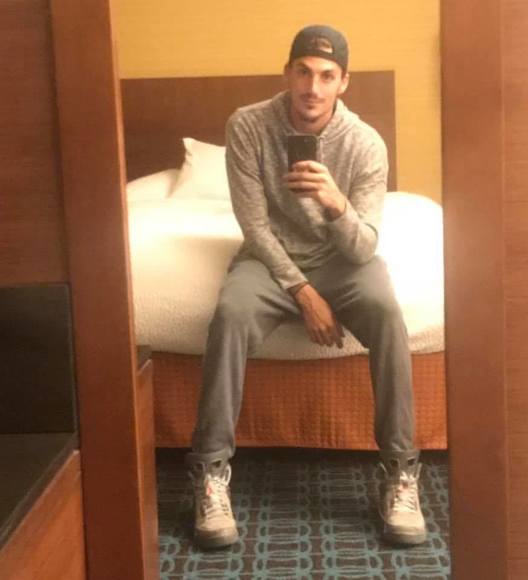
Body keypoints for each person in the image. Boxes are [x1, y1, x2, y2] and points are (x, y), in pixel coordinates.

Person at [186, 24, 426, 549]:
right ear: (287, 74)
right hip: (269, 262)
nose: (312, 88)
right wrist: (303, 292)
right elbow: (254, 226)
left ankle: (401, 472)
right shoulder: (248, 125)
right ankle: (210, 473)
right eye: (303, 72)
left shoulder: (364, 143)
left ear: (343, 82)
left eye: (326, 76)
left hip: (342, 261)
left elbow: (363, 248)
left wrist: (335, 202)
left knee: (387, 311)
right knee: (229, 314)